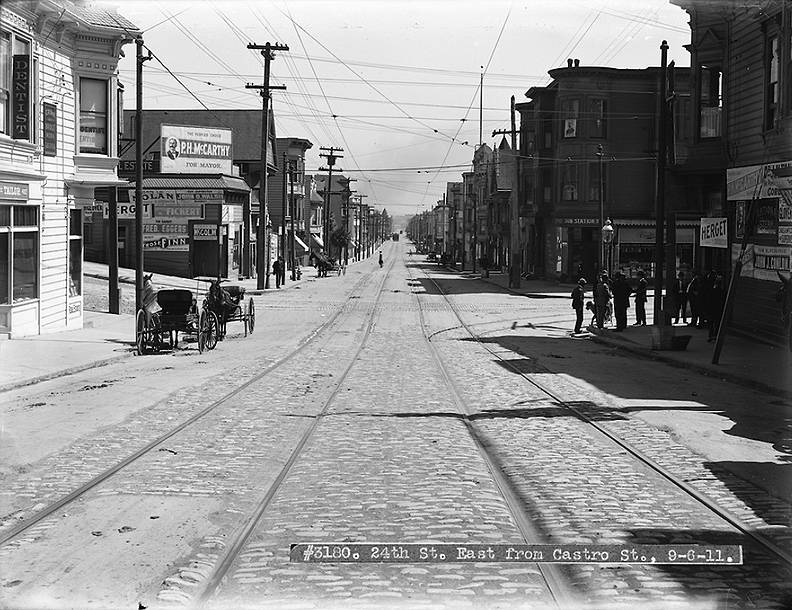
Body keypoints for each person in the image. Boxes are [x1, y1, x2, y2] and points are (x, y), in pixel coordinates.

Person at [706, 271, 725, 342]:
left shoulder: (711, 289)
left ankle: (711, 335)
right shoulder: (721, 290)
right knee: (716, 322)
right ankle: (715, 335)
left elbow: (708, 299)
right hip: (718, 308)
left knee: (711, 322)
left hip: (712, 307)